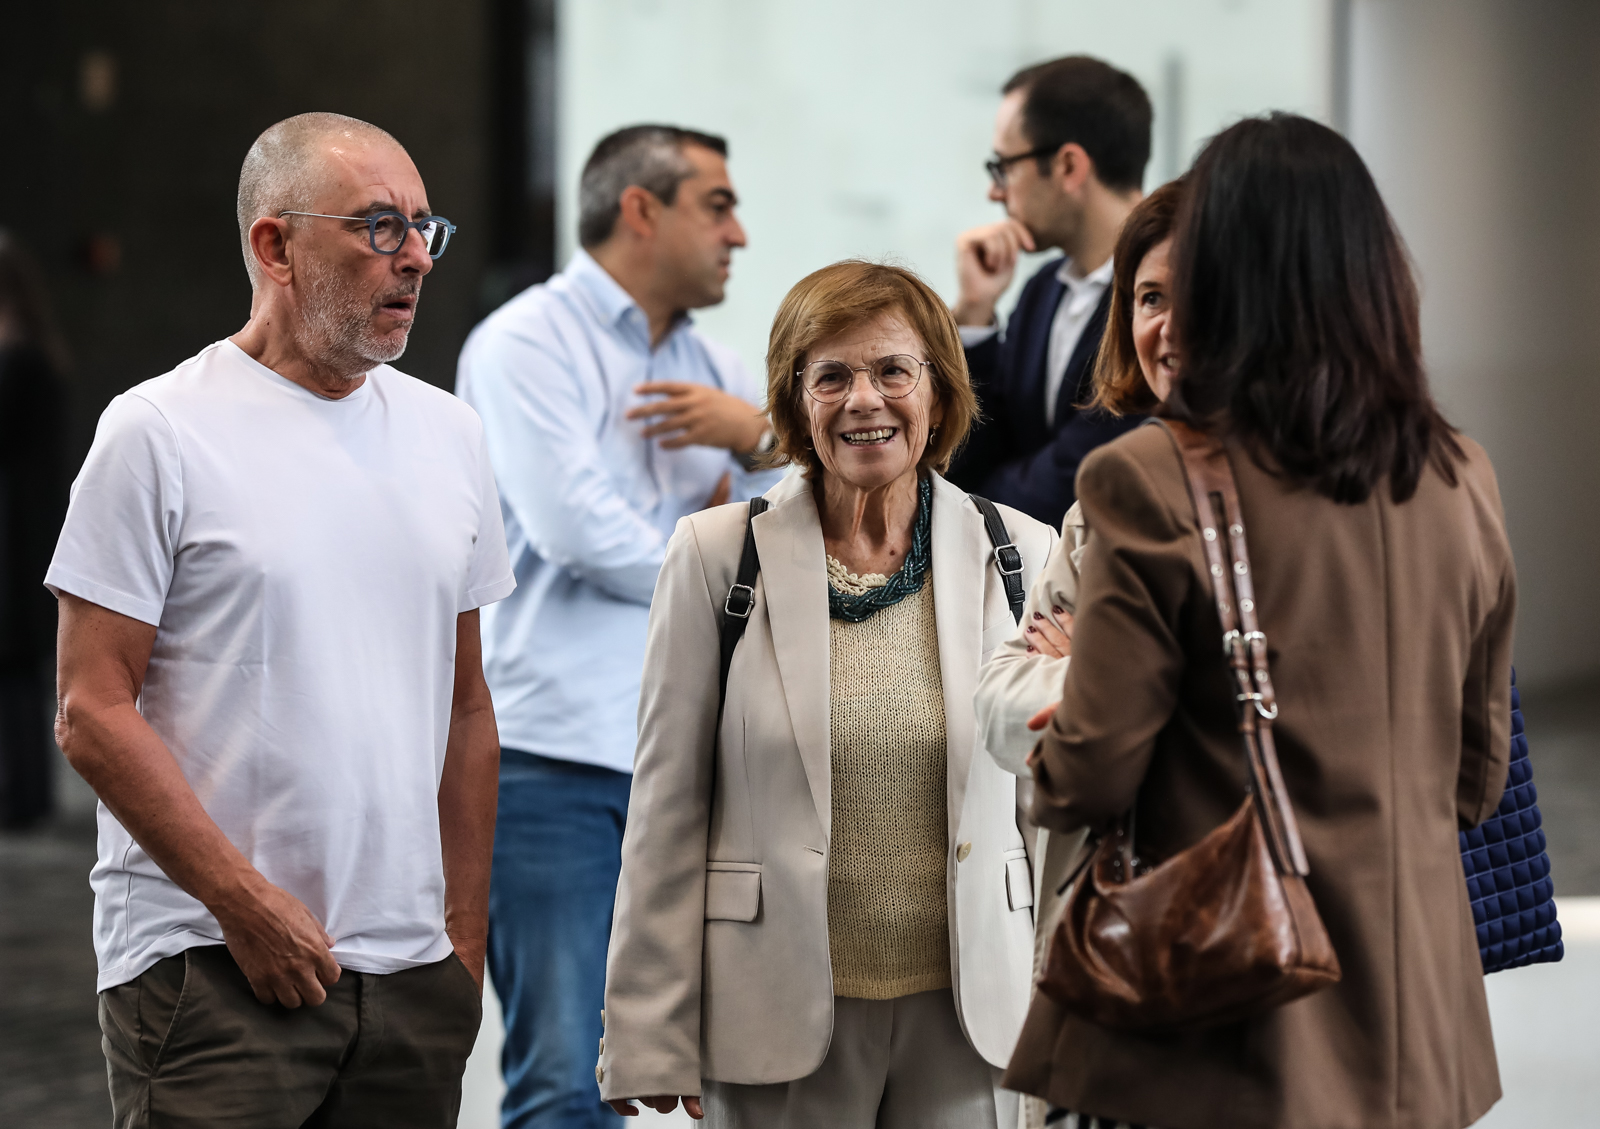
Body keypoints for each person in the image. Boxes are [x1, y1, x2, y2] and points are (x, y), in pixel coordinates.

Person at [1005, 114, 1515, 1129]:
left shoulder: (1149, 477)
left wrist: (1057, 716)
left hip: (1229, 1019)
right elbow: (1475, 776)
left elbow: (1090, 774)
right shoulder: (1460, 472)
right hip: (1416, 1026)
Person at [49, 113, 513, 1128]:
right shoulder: (159, 430)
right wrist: (241, 904)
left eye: (425, 229)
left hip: (411, 974)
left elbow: (467, 707)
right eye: (380, 228)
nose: (415, 261)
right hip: (211, 964)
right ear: (275, 244)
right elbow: (91, 709)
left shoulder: (451, 434)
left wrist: (461, 941)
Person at [597, 260, 1056, 1129]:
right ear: (795, 400)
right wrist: (648, 1028)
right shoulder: (715, 554)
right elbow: (666, 805)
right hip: (774, 1010)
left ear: (939, 389)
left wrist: (1079, 1011)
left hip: (974, 1015)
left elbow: (1050, 808)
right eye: (832, 375)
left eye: (893, 370)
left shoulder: (1020, 553)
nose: (865, 400)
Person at [455, 124, 779, 1129]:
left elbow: (797, 534)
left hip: (692, 763)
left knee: (682, 1075)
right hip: (553, 760)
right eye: (716, 205)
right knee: (565, 1075)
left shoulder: (718, 367)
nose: (740, 234)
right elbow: (574, 530)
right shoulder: (521, 344)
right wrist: (732, 567)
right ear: (641, 209)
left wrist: (762, 437)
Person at [970, 180, 1182, 1129]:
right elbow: (1002, 706)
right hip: (1096, 939)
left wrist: (1083, 675)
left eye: (1197, 295)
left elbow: (1102, 746)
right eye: (1146, 297)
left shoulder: (1317, 503)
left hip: (1238, 953)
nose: (1167, 327)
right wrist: (1082, 678)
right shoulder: (1109, 493)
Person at [946, 55, 1153, 529]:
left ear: (1068, 165)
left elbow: (1076, 484)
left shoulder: (1161, 297)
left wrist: (959, 507)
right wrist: (975, 313)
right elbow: (963, 453)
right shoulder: (1044, 289)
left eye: (1003, 167)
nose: (994, 193)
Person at [0, 230, 71, 829]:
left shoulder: (19, 362)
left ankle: (23, 797)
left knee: (16, 670)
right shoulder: (38, 356)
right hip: (26, 531)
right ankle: (25, 794)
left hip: (16, 537)